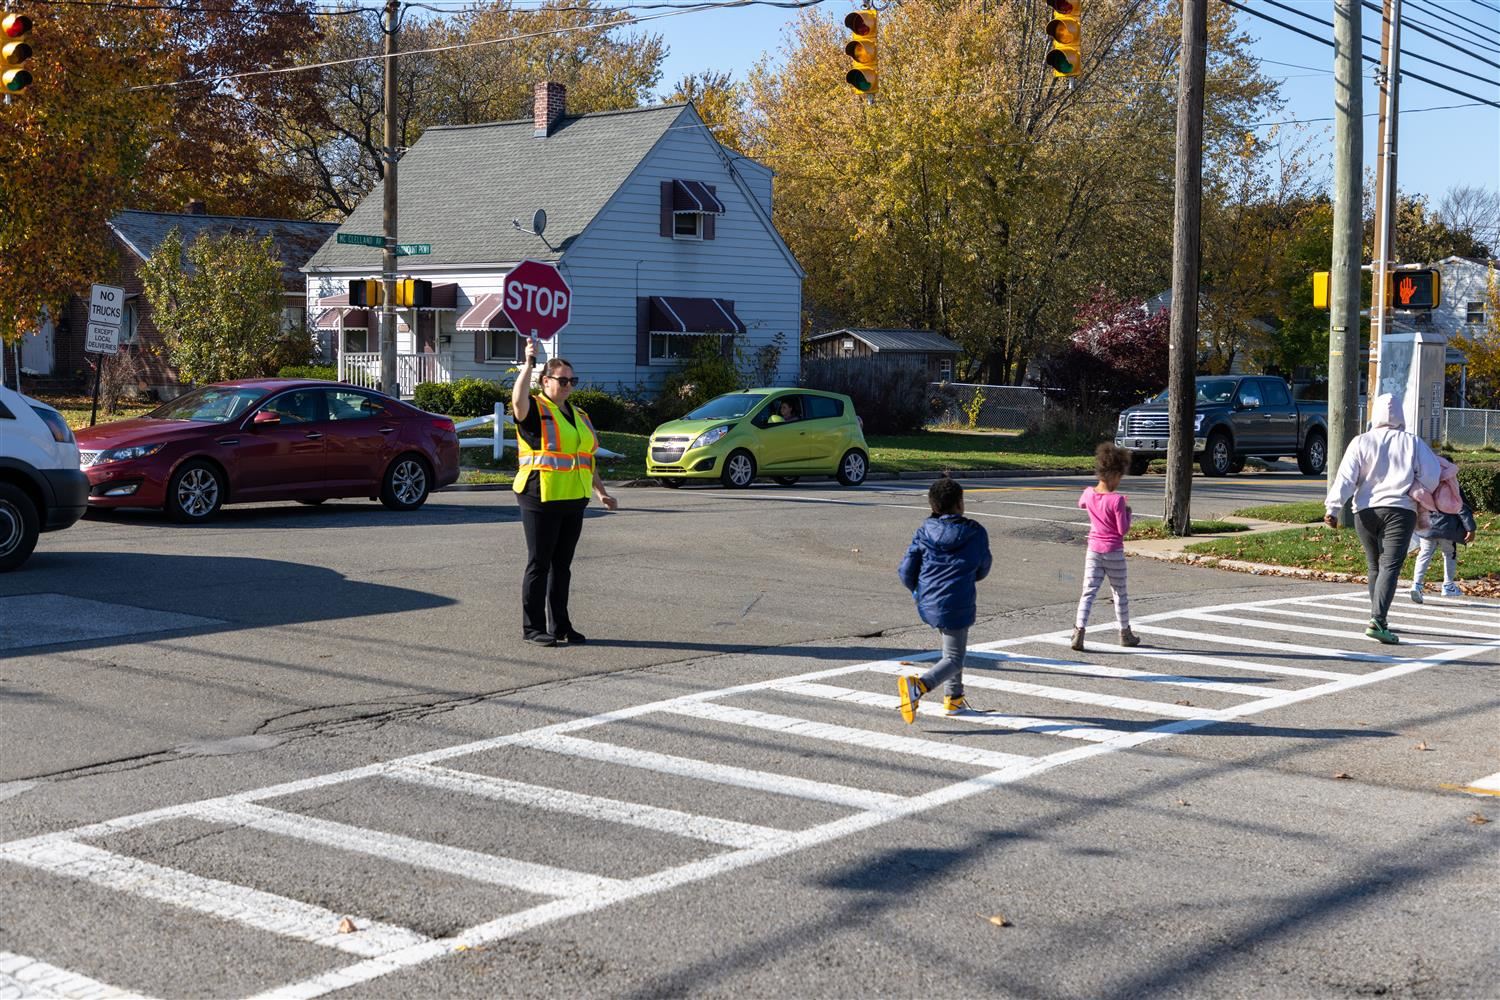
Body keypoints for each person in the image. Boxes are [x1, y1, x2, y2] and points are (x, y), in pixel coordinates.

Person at [511, 336, 617, 646]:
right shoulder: (535, 410)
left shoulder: (580, 415)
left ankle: (560, 626)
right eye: (563, 380)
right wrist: (528, 364)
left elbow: (585, 458)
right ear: (545, 381)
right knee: (539, 563)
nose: (569, 385)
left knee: (562, 567)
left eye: (573, 380)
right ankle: (533, 628)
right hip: (539, 495)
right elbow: (518, 400)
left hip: (573, 497)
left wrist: (601, 491)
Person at [1324, 393, 1439, 643]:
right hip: (1400, 510)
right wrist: (1414, 488)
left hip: (1364, 511)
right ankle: (1378, 620)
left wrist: (1333, 509)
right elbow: (1432, 474)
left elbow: (1345, 478)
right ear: (1401, 414)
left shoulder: (1360, 442)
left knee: (1374, 565)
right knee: (1390, 566)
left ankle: (1377, 614)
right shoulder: (1413, 442)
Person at [896, 476, 993, 722]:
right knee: (954, 657)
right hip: (956, 599)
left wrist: (919, 591)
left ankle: (954, 699)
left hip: (928, 599)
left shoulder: (924, 530)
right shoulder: (975, 532)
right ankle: (919, 686)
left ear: (933, 506)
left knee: (952, 648)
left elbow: (906, 570)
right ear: (960, 503)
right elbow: (983, 568)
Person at [1072, 443, 1139, 652]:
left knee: (1088, 591)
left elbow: (1081, 504)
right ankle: (1124, 632)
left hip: (1093, 549)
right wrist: (1128, 512)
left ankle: (1078, 632)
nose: (1119, 481)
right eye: (1120, 476)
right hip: (1113, 552)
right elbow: (1122, 530)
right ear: (1114, 474)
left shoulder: (1088, 493)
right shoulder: (1117, 500)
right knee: (1119, 592)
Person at [1410, 479, 1476, 603]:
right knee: (1449, 554)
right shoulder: (1452, 487)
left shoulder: (1426, 484)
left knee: (1424, 554)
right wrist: (1470, 528)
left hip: (1426, 526)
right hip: (1447, 528)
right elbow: (1461, 508)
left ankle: (1416, 584)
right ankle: (1448, 585)